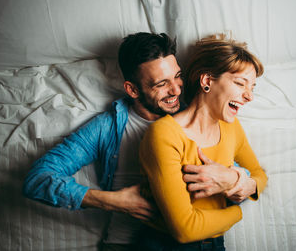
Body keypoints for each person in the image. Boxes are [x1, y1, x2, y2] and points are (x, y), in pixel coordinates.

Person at [23, 32, 183, 250]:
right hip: (123, 244)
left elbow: (237, 170)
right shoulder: (106, 127)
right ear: (132, 89)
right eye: (161, 84)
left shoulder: (195, 116)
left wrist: (236, 178)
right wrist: (113, 201)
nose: (176, 90)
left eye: (177, 76)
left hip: (185, 241)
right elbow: (38, 179)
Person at [138, 34, 268, 250]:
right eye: (240, 83)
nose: (249, 96)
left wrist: (236, 181)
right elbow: (185, 229)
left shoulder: (231, 127)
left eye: (252, 87)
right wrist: (237, 213)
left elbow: (259, 175)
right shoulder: (163, 134)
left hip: (215, 244)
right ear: (207, 81)